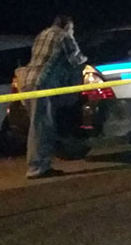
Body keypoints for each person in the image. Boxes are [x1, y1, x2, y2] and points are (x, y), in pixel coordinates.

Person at [22, 15, 87, 179]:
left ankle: (39, 164)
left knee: (36, 127)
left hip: (27, 82)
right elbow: (77, 59)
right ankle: (37, 168)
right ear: (67, 26)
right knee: (42, 128)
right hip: (42, 85)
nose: (73, 32)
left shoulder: (42, 34)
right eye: (72, 28)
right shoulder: (63, 36)